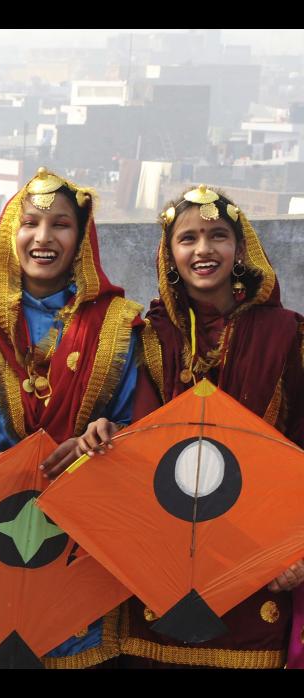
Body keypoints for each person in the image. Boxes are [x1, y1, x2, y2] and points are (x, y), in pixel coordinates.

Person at [92, 185, 304, 669]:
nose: (204, 249)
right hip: (164, 567)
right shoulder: (150, 336)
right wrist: (103, 435)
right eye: (188, 238)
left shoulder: (286, 334)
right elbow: (139, 444)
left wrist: (298, 547)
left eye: (218, 236)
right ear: (169, 254)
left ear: (240, 247)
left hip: (260, 563)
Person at [0, 167, 143, 668]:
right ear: (8, 233)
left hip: (83, 527)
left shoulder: (120, 326)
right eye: (29, 223)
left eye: (60, 224)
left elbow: (137, 428)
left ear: (81, 238)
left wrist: (100, 438)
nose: (43, 237)